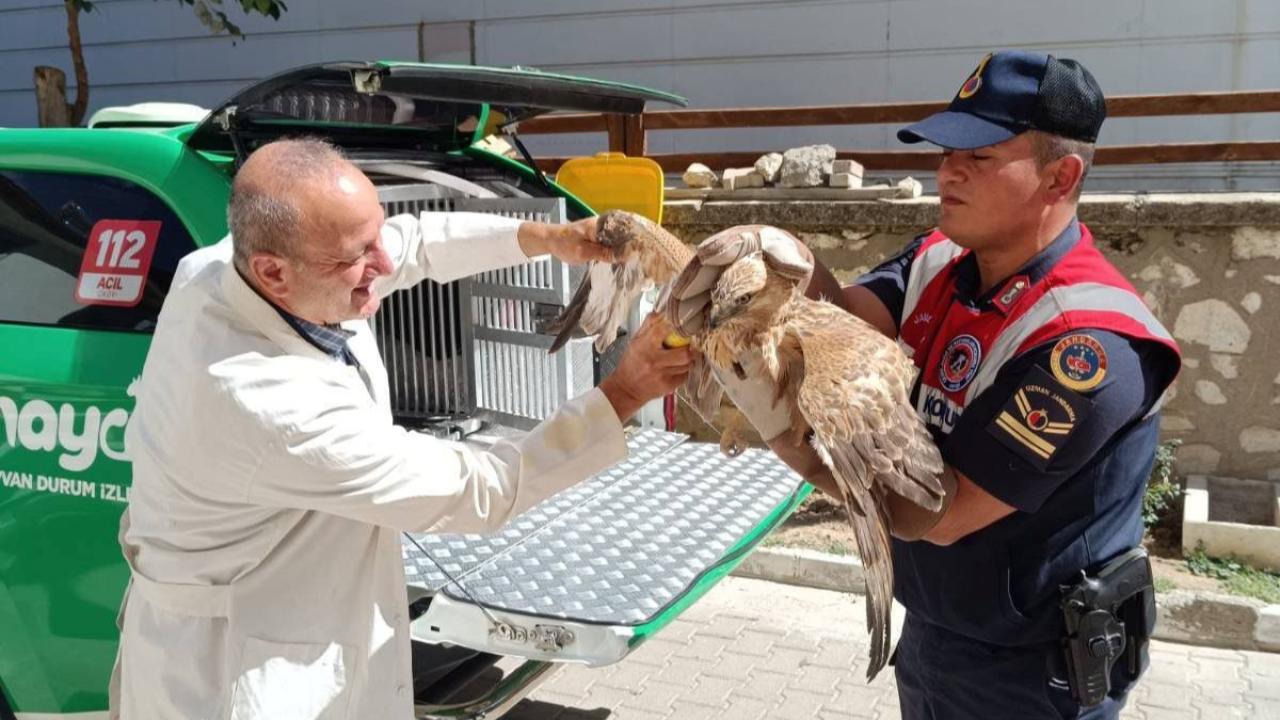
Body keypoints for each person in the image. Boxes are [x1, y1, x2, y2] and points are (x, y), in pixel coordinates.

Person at [109, 138, 692, 719]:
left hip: (275, 613)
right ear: (273, 272)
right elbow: (481, 488)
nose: (383, 267)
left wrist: (548, 239)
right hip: (237, 677)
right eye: (356, 257)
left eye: (374, 236)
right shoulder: (266, 404)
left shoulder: (224, 268)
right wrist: (627, 391)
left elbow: (411, 243)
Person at [679, 50, 1182, 719]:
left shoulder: (1089, 346)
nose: (947, 169)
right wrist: (779, 256)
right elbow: (842, 325)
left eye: (980, 156)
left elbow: (943, 516)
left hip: (1033, 675)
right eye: (948, 150)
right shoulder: (941, 259)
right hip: (936, 633)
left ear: (1060, 177)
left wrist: (783, 433)